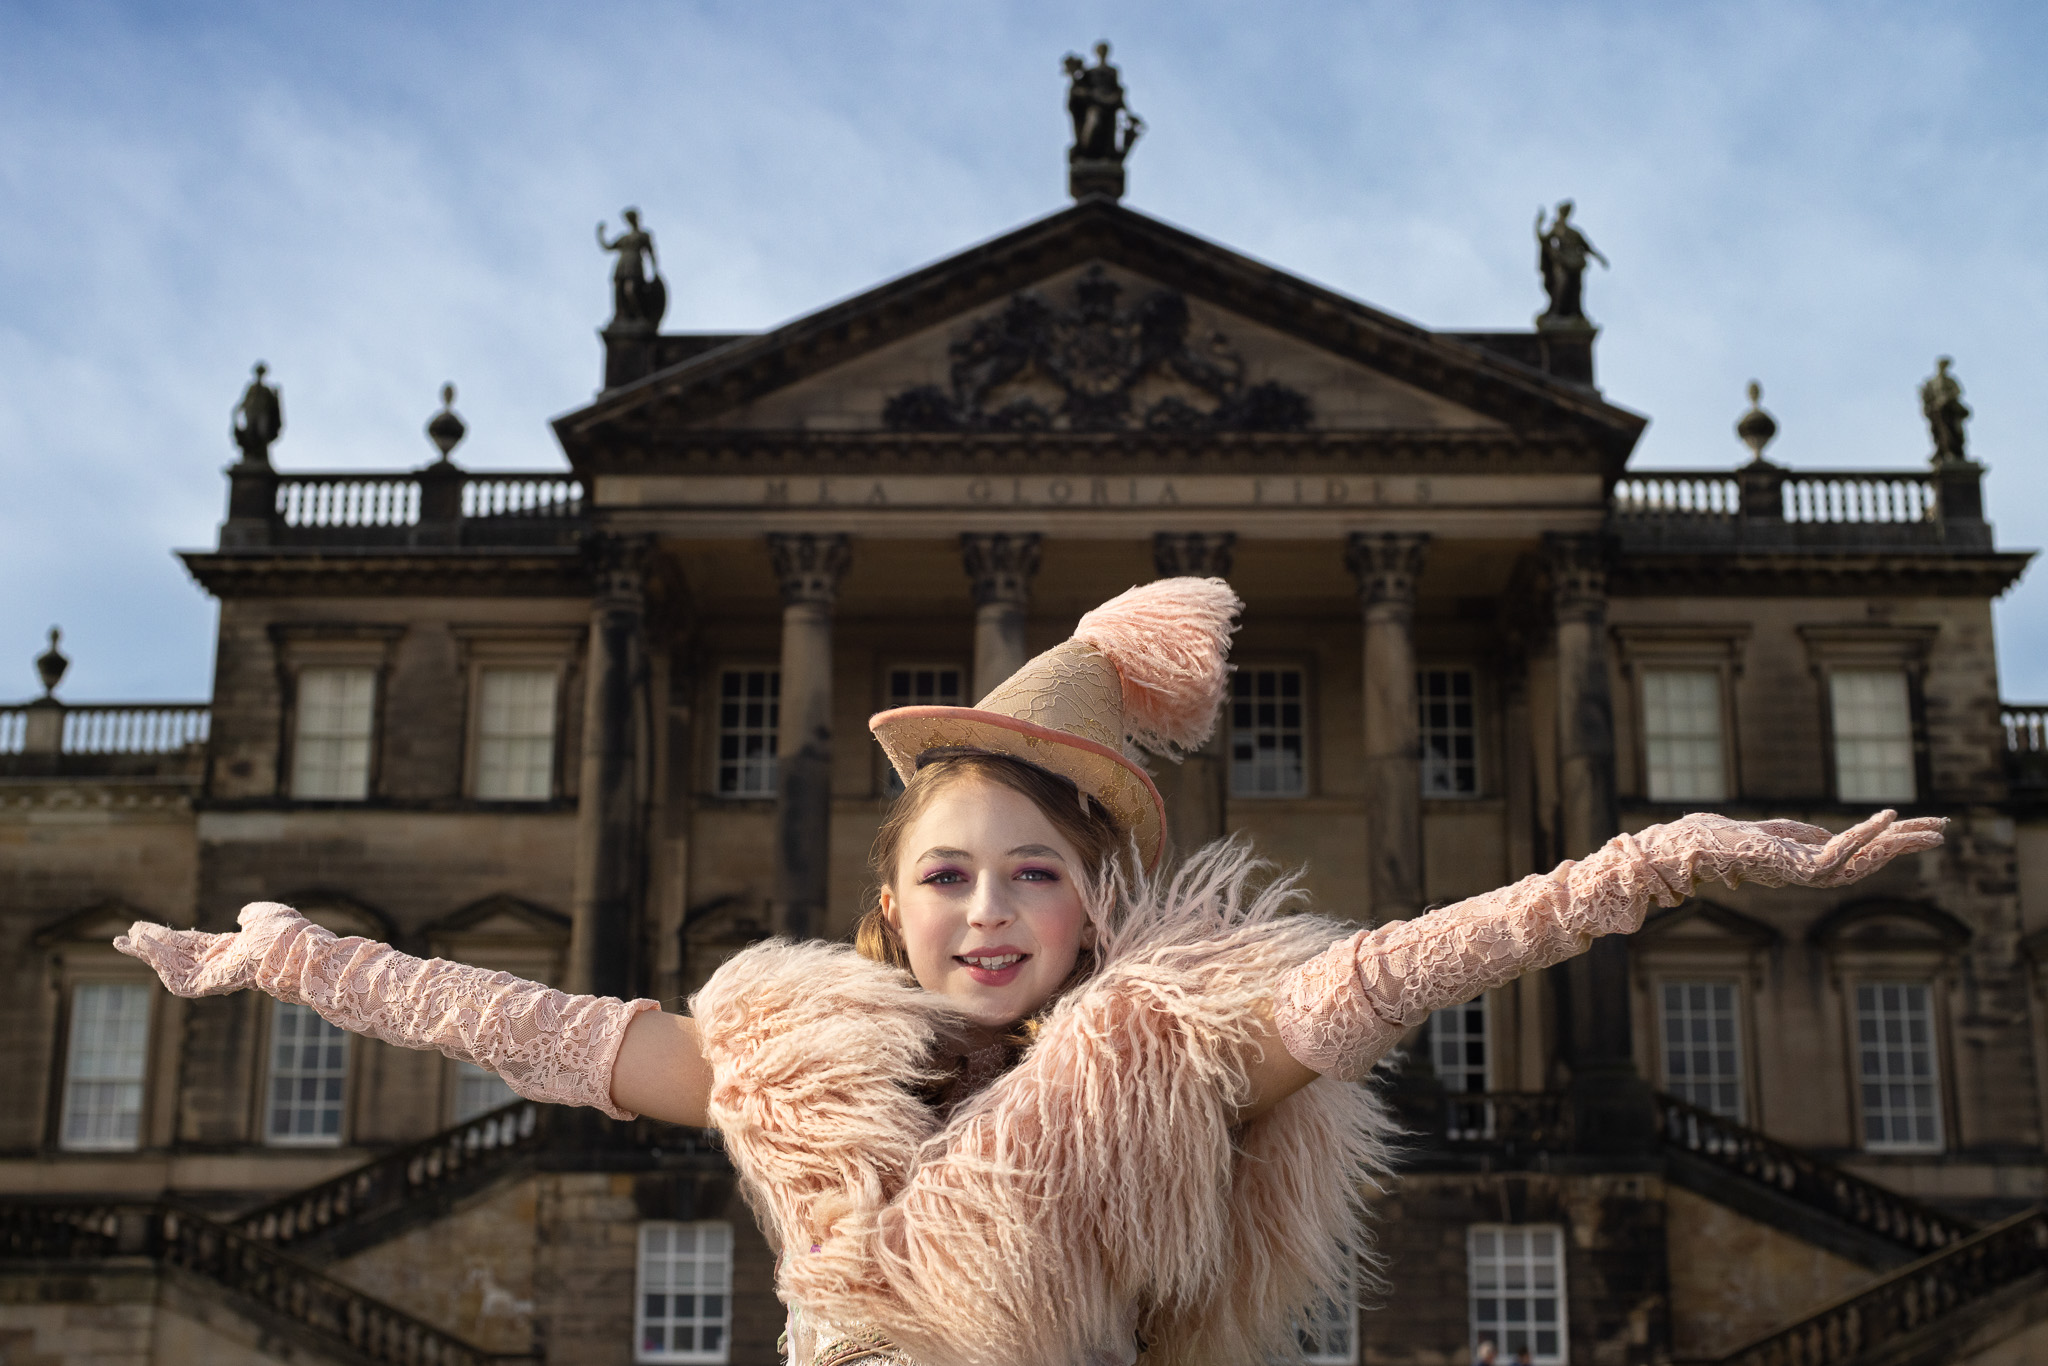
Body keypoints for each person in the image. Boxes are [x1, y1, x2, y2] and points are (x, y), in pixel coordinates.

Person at [116, 578, 1942, 1366]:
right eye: (945, 876)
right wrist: (294, 957)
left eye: (1033, 876)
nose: (987, 912)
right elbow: (527, 1024)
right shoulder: (780, 1062)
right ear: (890, 904)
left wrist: (1658, 862)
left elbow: (1395, 966)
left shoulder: (1165, 1065)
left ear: (1091, 902)